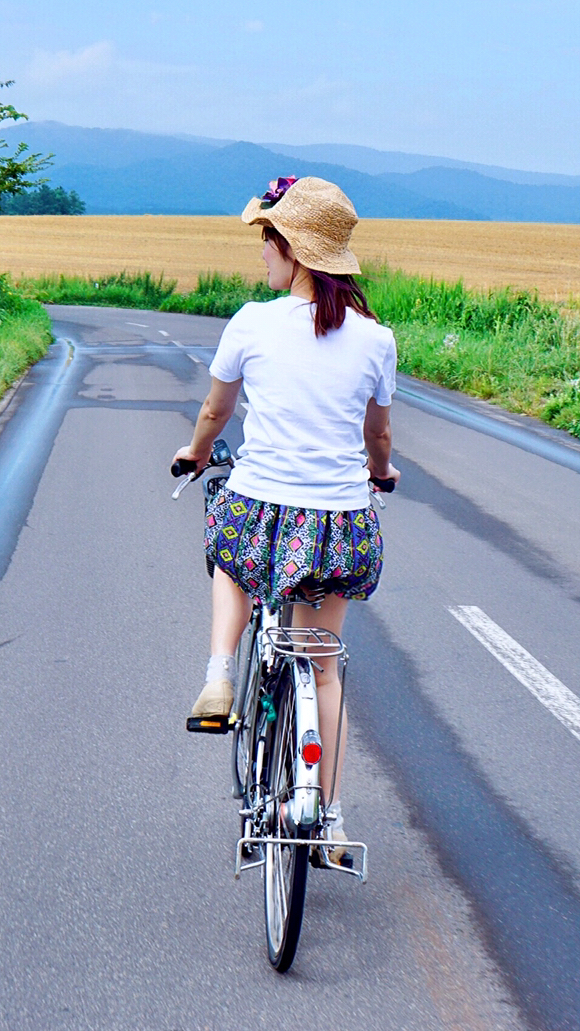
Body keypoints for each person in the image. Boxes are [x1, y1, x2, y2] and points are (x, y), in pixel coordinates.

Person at [172, 175, 399, 866]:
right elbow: (378, 440)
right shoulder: (375, 339)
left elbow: (214, 414)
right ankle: (326, 820)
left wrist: (195, 452)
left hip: (261, 506)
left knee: (229, 551)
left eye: (267, 239)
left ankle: (217, 672)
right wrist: (381, 475)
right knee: (323, 667)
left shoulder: (252, 322)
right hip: (338, 524)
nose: (262, 253)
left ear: (293, 248)